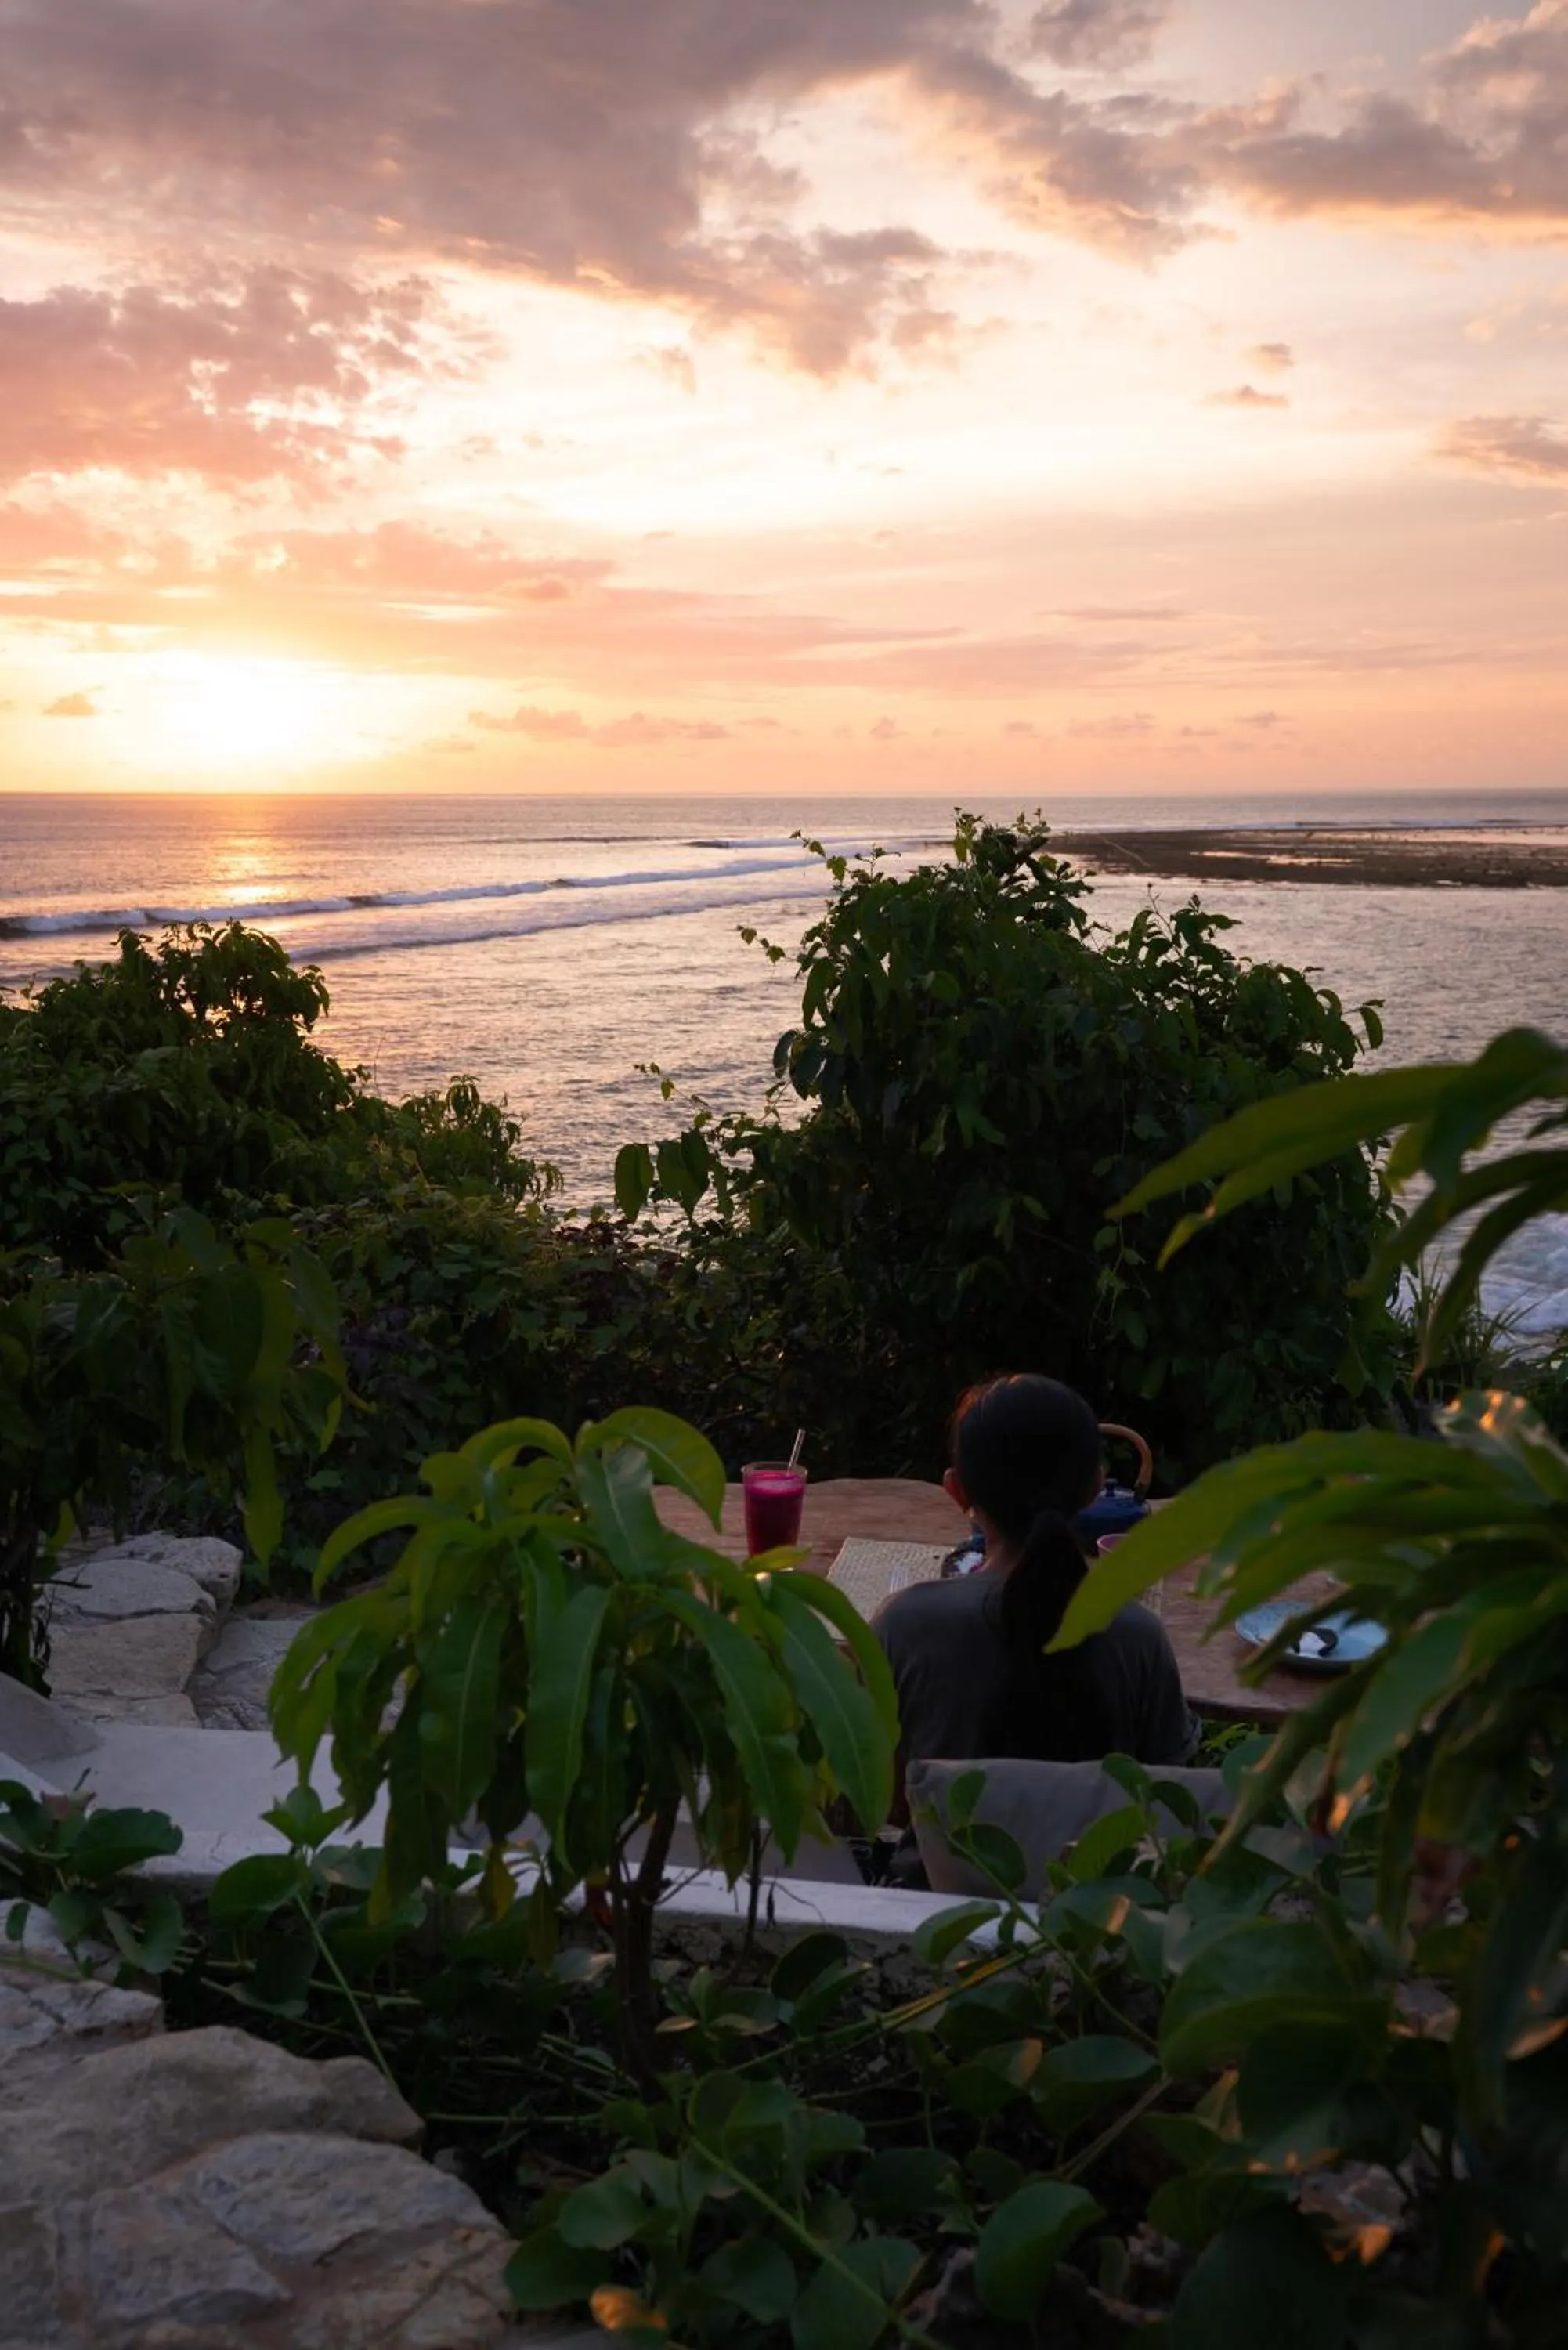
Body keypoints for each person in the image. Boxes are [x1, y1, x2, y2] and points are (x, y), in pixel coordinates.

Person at [873, 1375, 1196, 1817]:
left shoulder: (904, 1626)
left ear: (957, 1490)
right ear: (1096, 1486)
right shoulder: (1139, 1635)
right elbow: (1167, 1802)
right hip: (1100, 1865)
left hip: (938, 1864)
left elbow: (886, 1802)